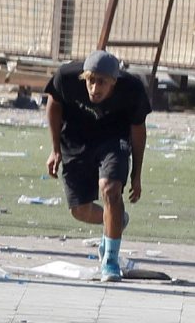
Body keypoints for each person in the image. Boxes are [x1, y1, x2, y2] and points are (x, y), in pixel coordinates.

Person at [44, 49, 150, 283]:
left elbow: (138, 131)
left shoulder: (132, 89)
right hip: (75, 138)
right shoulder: (67, 77)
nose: (94, 88)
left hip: (113, 139)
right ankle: (116, 220)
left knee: (111, 190)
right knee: (79, 210)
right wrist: (55, 150)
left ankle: (110, 261)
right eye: (91, 81)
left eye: (101, 82)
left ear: (114, 81)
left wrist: (136, 174)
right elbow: (53, 105)